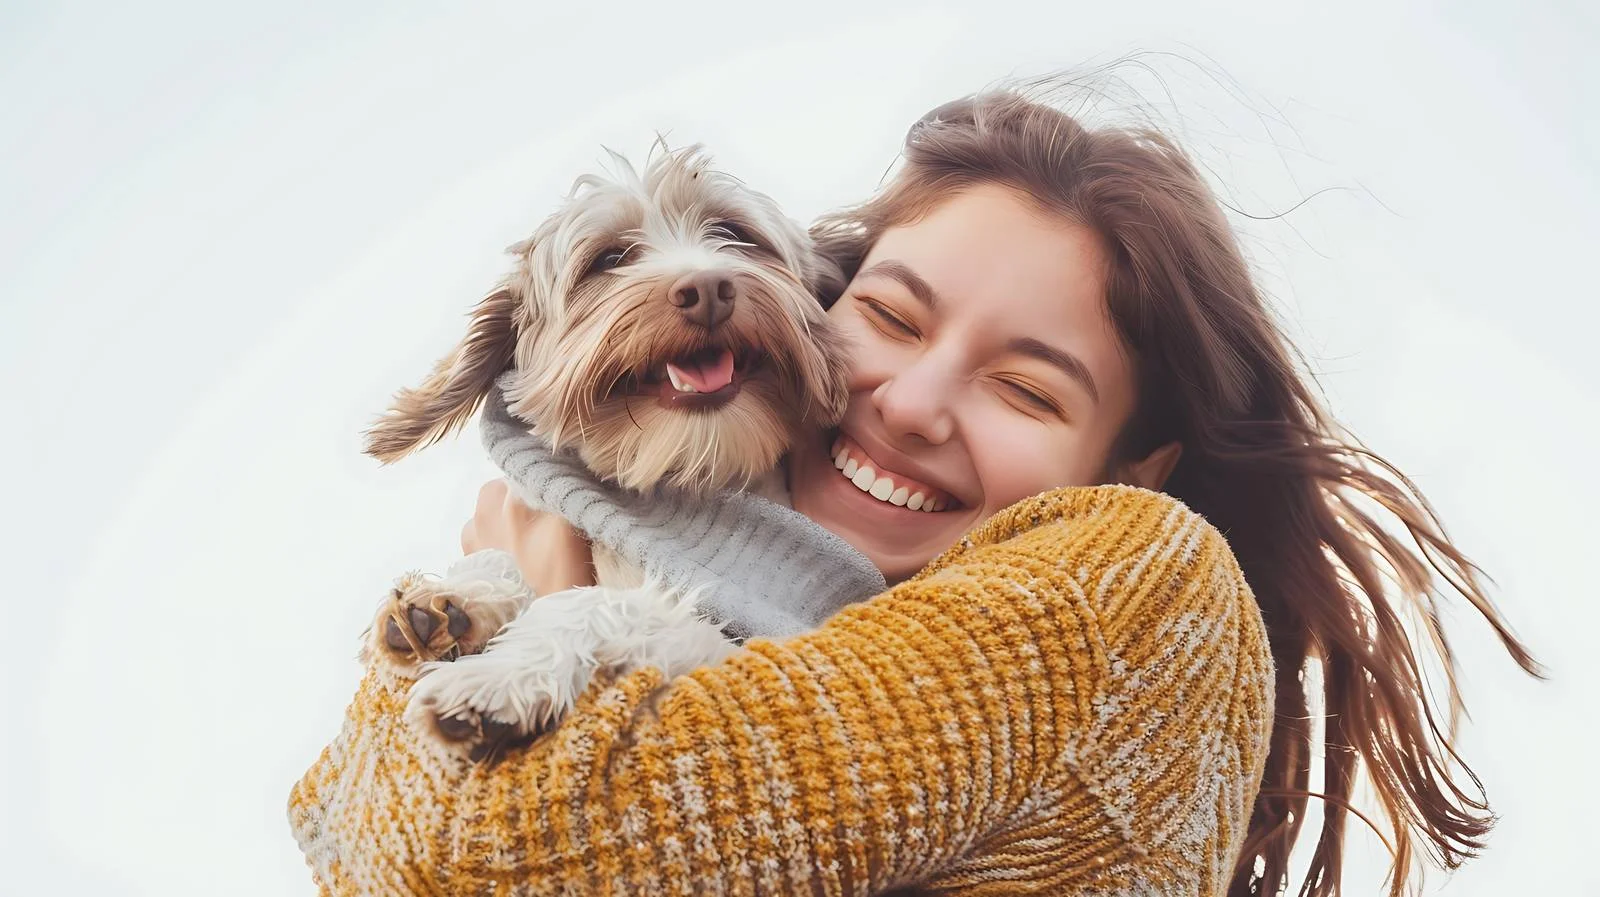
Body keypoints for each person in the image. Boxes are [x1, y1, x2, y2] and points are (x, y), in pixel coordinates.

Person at [288, 83, 1537, 896]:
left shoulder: (1135, 577)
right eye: (887, 316)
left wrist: (554, 599)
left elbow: (474, 852)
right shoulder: (742, 562)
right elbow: (330, 832)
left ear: (1131, 469)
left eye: (1026, 389)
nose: (913, 404)